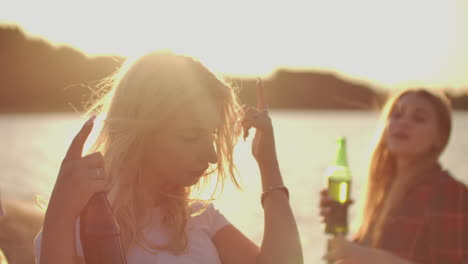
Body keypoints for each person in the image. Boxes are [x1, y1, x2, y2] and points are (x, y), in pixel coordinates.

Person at [35, 51, 303, 264]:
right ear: (141, 132)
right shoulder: (81, 227)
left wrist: (268, 162)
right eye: (190, 136)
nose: (212, 156)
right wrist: (60, 212)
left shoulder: (199, 217)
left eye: (211, 135)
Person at [320, 88, 468, 263]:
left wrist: (369, 257)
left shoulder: (449, 192)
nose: (403, 123)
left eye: (418, 118)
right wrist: (337, 227)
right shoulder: (384, 190)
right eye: (396, 115)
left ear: (440, 137)